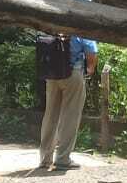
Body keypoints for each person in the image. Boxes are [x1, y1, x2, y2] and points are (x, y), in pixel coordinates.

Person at [39, 26, 98, 170]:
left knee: (50, 115)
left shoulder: (51, 25)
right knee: (70, 116)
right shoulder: (82, 27)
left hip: (52, 74)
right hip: (72, 72)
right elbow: (92, 51)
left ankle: (45, 158)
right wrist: (90, 70)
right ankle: (63, 158)